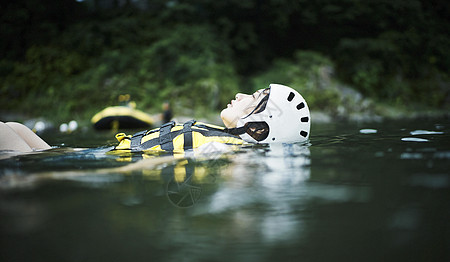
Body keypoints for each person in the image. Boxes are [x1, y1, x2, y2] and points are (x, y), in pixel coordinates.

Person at [0, 84, 310, 154]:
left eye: (253, 99)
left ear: (259, 127)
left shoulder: (225, 150)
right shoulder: (219, 137)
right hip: (85, 154)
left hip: (90, 166)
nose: (241, 95)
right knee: (14, 128)